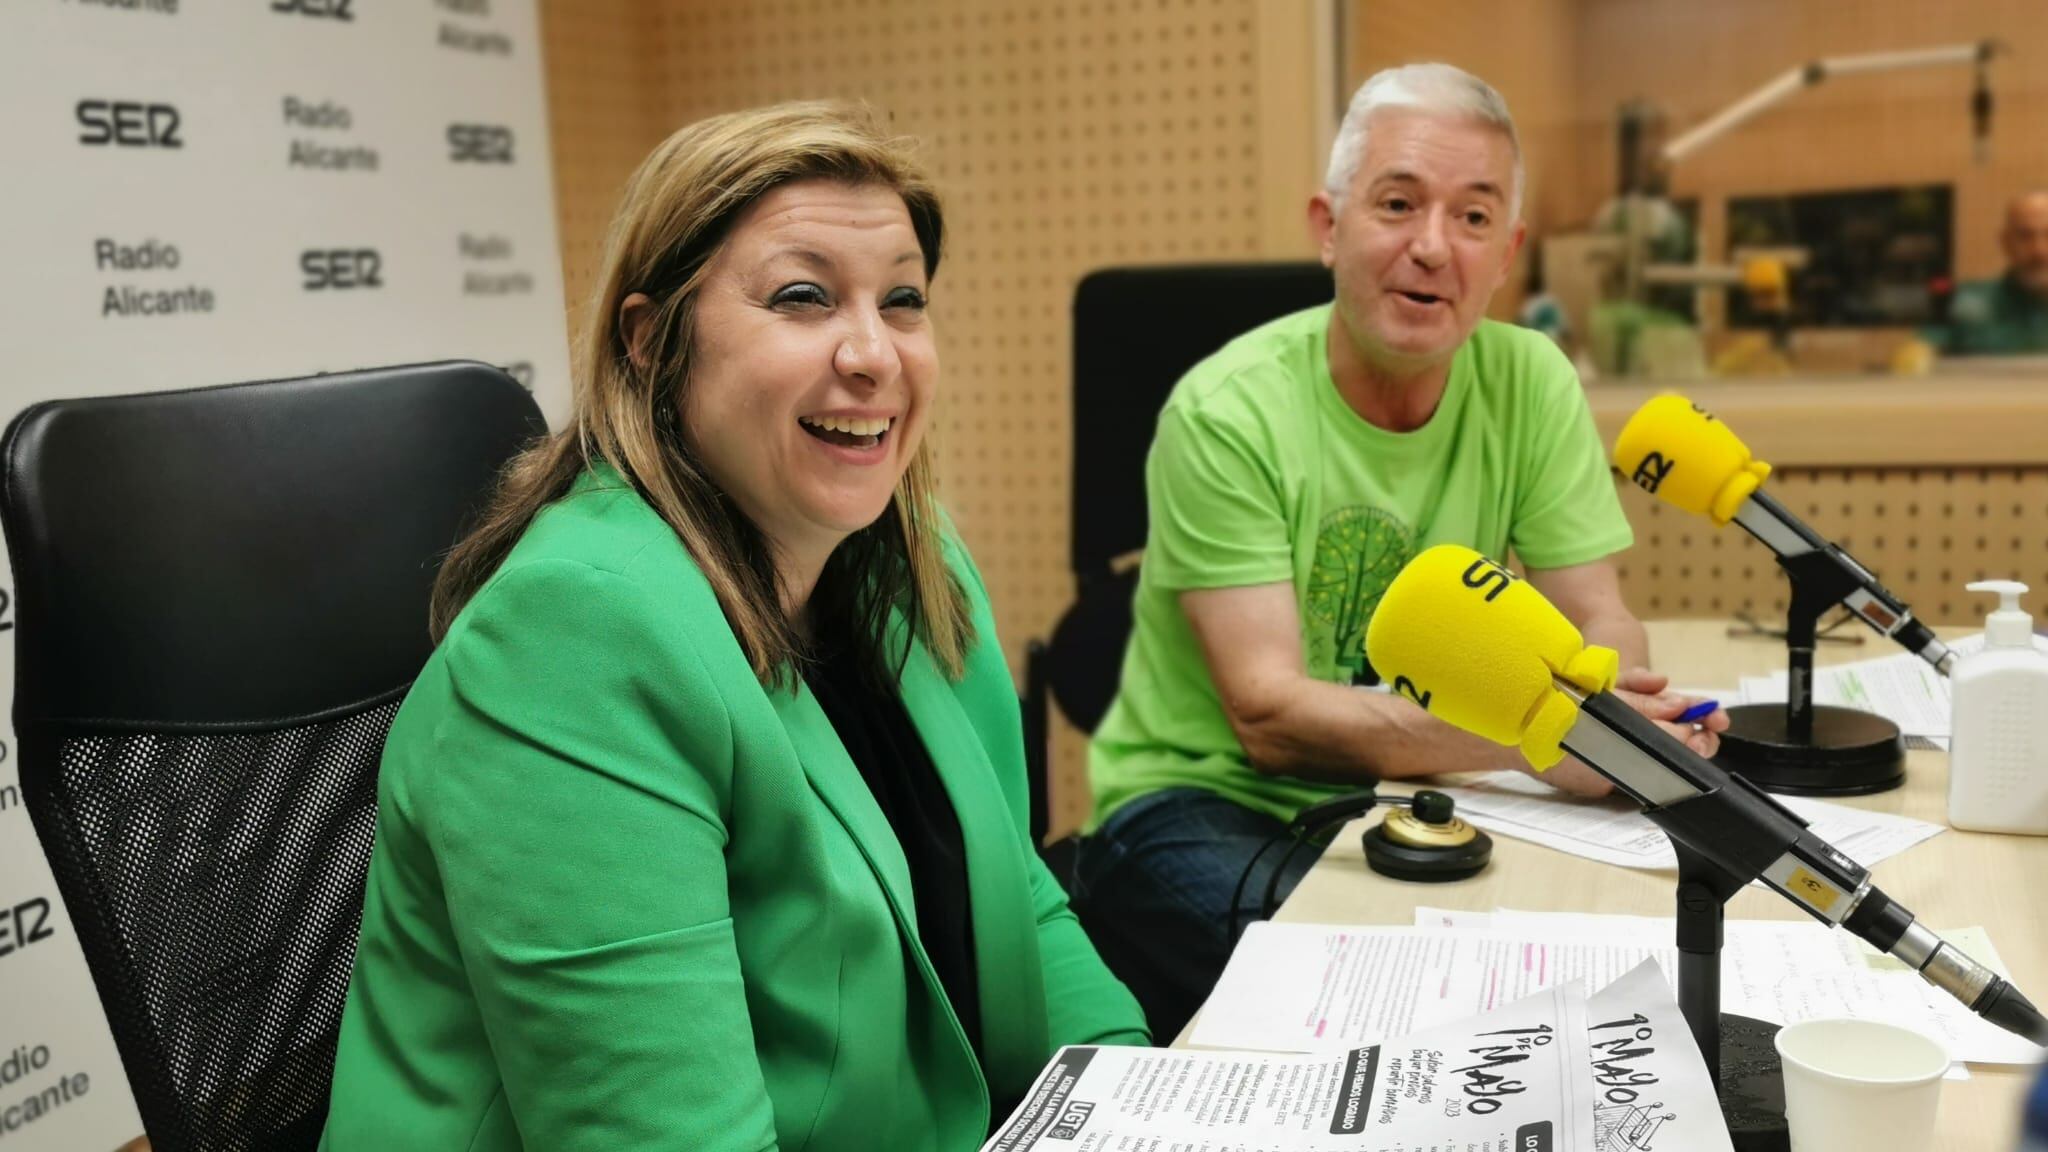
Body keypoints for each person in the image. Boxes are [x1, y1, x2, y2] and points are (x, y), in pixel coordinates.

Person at [321, 102, 1147, 1151]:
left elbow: (1012, 895)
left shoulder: (911, 560)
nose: (872, 354)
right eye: (801, 297)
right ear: (650, 341)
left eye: (901, 299)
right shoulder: (571, 640)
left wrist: (1143, 1106)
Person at [1069, 63, 1728, 1040]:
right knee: (1410, 1005)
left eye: (1471, 219)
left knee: (1604, 961)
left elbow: (1597, 612)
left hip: (1420, 788)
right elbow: (1267, 715)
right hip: (1203, 803)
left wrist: (1614, 714)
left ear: (1505, 254)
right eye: (1395, 204)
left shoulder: (1530, 381)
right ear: (1327, 227)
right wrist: (1551, 737)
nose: (1432, 247)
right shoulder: (1225, 411)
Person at [1932, 189, 2048, 356]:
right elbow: (1914, 363)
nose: (2039, 250)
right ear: (2005, 242)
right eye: (2025, 236)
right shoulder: (1958, 301)